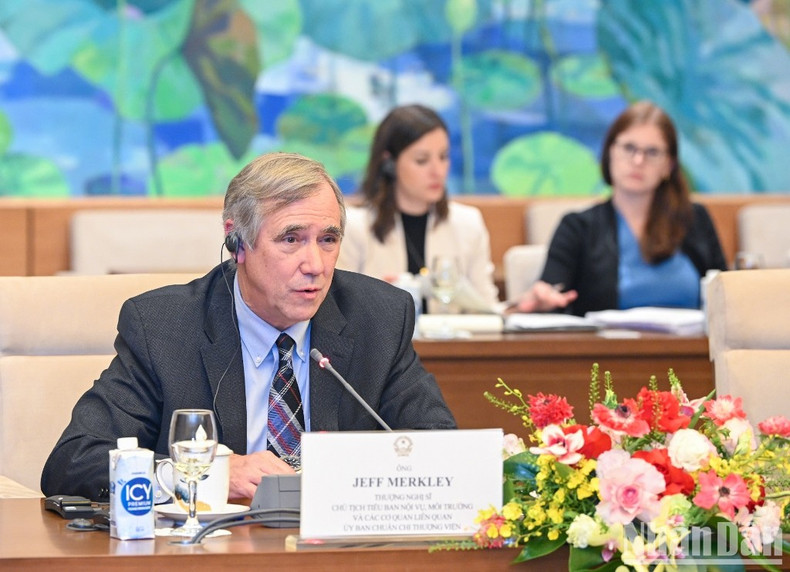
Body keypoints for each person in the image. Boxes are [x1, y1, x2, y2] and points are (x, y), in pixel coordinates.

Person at [41, 152, 456, 502]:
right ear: (236, 240)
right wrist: (208, 474)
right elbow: (75, 462)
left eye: (328, 240)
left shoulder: (379, 317)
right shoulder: (165, 327)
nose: (315, 265)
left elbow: (440, 448)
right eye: (291, 239)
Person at [516, 100, 727, 316]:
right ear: (609, 153)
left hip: (691, 348)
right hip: (608, 348)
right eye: (629, 148)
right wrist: (542, 300)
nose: (638, 161)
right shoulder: (577, 227)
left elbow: (725, 297)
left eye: (652, 152)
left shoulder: (694, 219)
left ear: (668, 166)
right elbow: (551, 292)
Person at [337, 104, 499, 312]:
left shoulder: (467, 223)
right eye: (422, 161)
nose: (438, 171)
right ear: (389, 162)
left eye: (443, 157)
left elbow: (487, 309)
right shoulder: (355, 227)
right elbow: (340, 312)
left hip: (452, 343)